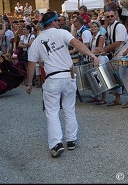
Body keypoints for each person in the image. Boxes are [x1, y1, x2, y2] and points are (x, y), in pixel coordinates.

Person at [25, 12, 99, 158]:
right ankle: (71, 140)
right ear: (53, 23)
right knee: (69, 109)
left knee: (52, 112)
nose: (59, 22)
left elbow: (31, 65)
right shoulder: (62, 33)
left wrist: (29, 83)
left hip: (53, 78)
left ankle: (56, 144)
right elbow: (77, 44)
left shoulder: (37, 41)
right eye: (57, 20)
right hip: (68, 76)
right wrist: (92, 55)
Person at [96, 9, 128, 107]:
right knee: (116, 76)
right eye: (108, 17)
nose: (110, 18)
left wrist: (104, 49)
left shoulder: (119, 26)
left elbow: (118, 43)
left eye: (111, 16)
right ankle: (118, 99)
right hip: (117, 53)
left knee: (125, 77)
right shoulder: (110, 27)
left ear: (115, 16)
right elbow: (111, 41)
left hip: (124, 53)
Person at [86, 20, 109, 105]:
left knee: (101, 77)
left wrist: (89, 53)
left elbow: (99, 49)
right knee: (96, 77)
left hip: (100, 58)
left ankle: (104, 97)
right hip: (95, 58)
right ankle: (96, 95)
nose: (93, 28)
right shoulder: (93, 37)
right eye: (91, 27)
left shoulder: (101, 37)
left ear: (98, 28)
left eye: (95, 26)